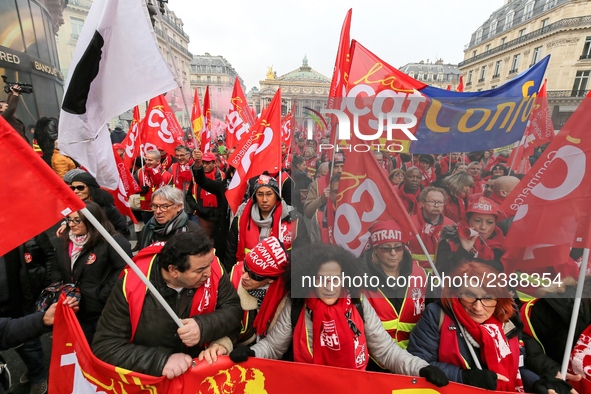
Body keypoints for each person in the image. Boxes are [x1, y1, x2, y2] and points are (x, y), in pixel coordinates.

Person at [228, 243, 449, 388]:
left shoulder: (358, 304)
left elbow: (386, 351)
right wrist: (250, 352)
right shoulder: (297, 305)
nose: (330, 287)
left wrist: (422, 367)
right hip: (307, 387)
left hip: (353, 387)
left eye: (336, 279)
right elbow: (273, 347)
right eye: (322, 279)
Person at [92, 231, 242, 377]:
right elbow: (106, 346)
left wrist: (203, 327)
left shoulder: (213, 267)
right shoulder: (131, 285)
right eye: (200, 270)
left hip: (200, 375)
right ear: (173, 271)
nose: (209, 273)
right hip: (156, 382)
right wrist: (160, 361)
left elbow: (234, 310)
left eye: (210, 264)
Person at [407, 260, 569, 393]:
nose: (478, 307)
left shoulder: (507, 319)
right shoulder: (437, 315)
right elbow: (418, 362)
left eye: (487, 297)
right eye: (469, 295)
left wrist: (535, 384)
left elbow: (516, 368)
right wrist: (464, 377)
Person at [53, 202, 131, 343]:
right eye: (69, 219)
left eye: (78, 220)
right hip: (75, 309)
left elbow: (124, 270)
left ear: (92, 219)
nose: (72, 224)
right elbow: (56, 268)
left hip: (103, 310)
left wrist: (102, 295)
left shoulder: (112, 241)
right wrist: (61, 292)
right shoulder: (63, 241)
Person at [1, 234, 55, 394]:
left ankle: (38, 374)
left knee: (28, 341)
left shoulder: (24, 228)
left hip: (23, 299)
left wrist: (46, 286)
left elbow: (49, 256)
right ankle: (33, 367)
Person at [362, 221, 428, 352]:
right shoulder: (359, 280)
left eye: (398, 247)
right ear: (375, 249)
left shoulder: (421, 274)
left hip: (415, 355)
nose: (393, 253)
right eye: (386, 248)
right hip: (374, 359)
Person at [224, 174, 309, 273]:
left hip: (280, 279)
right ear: (255, 197)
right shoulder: (240, 220)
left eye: (269, 194)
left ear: (277, 195)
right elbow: (230, 256)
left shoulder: (294, 220)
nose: (264, 199)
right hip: (247, 277)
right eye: (260, 194)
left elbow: (304, 253)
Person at [0, 299, 78, 394]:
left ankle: (37, 374)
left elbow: (5, 331)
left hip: (19, 304)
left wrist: (42, 319)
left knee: (29, 347)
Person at [230, 237, 289, 346]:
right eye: (246, 266)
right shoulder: (233, 275)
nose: (244, 276)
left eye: (254, 275)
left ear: (271, 279)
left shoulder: (285, 298)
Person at [436, 196, 505, 276]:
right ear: (468, 221)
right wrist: (464, 250)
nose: (483, 227)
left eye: (489, 222)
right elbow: (442, 273)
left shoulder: (501, 244)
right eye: (477, 221)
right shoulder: (450, 239)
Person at [191, 149, 231, 263]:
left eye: (208, 162)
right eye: (204, 162)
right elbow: (203, 182)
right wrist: (197, 165)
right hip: (215, 220)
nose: (205, 165)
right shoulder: (223, 185)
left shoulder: (249, 189)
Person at [69, 172, 130, 237]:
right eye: (73, 188)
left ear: (91, 188)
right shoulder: (72, 207)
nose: (75, 191)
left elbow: (123, 231)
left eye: (80, 187)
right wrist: (65, 224)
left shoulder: (107, 208)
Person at [407, 187, 455, 269]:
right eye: (432, 201)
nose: (436, 205)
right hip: (416, 275)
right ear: (422, 203)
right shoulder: (409, 223)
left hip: (442, 276)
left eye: (440, 202)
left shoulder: (451, 225)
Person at [303, 153, 344, 219]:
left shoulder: (352, 185)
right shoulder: (317, 184)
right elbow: (307, 212)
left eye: (342, 166)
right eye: (336, 167)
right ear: (330, 169)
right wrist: (322, 199)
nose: (340, 170)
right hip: (323, 226)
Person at [135, 150, 171, 224]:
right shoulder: (139, 172)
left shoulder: (167, 175)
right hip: (146, 208)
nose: (147, 162)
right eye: (146, 159)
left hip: (162, 209)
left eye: (150, 160)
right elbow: (132, 188)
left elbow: (171, 194)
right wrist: (140, 190)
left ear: (158, 161)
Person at [309, 173, 339, 243]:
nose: (340, 194)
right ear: (330, 193)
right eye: (336, 191)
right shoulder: (319, 217)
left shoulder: (357, 214)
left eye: (342, 190)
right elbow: (315, 249)